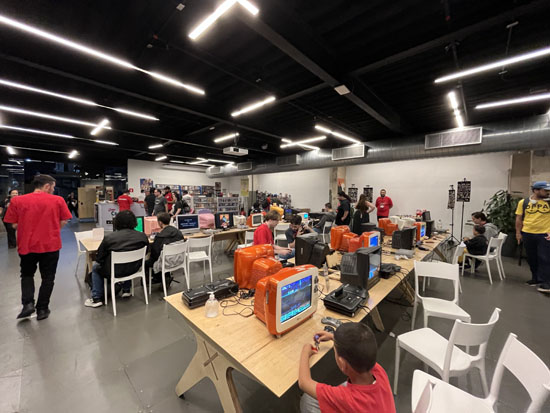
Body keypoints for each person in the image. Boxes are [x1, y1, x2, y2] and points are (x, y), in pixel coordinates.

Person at [4, 175, 72, 320]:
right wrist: (52, 228)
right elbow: (64, 220)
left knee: (27, 275)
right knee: (48, 277)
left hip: (27, 246)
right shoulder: (58, 200)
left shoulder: (17, 201)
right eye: (53, 187)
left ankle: (28, 304)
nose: (53, 190)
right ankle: (42, 309)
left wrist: (28, 226)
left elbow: (13, 225)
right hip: (51, 245)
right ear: (47, 186)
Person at [299, 322, 396, 413]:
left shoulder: (346, 398)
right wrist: (334, 338)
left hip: (354, 402)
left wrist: (305, 351)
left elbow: (304, 383)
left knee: (307, 399)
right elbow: (358, 349)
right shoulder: (379, 371)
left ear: (343, 364)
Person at [84, 210, 149, 308]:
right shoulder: (142, 236)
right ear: (134, 222)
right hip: (134, 269)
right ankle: (126, 290)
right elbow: (146, 251)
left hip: (114, 271)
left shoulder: (109, 238)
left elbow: (99, 258)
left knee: (95, 267)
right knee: (128, 261)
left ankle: (96, 298)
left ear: (117, 222)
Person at [515, 181, 550, 293]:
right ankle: (535, 278)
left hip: (544, 234)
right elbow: (519, 218)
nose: (548, 192)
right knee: (531, 258)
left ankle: (546, 283)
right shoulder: (523, 202)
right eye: (545, 190)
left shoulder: (549, 202)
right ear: (536, 190)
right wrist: (518, 233)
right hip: (527, 233)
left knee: (545, 258)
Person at [147, 212, 184, 285]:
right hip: (178, 259)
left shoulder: (160, 236)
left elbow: (155, 254)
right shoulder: (178, 232)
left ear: (160, 222)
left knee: (147, 262)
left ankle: (153, 280)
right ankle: (165, 277)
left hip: (166, 262)